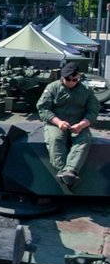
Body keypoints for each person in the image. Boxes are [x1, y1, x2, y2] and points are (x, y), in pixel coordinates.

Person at [36, 60, 99, 189]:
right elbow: (43, 108)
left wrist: (82, 124)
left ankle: (70, 170)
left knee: (84, 139)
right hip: (55, 122)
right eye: (67, 79)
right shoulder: (52, 88)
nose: (70, 82)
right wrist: (58, 122)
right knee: (55, 139)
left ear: (78, 78)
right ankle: (61, 170)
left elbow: (93, 110)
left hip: (78, 123)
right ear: (62, 77)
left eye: (74, 80)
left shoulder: (86, 90)